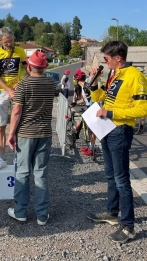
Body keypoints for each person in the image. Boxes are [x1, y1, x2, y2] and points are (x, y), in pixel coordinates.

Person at [87, 41, 147, 243]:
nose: (105, 62)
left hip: (120, 130)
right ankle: (112, 212)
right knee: (110, 175)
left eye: (106, 58)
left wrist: (111, 112)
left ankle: (128, 227)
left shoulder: (135, 76)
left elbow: (142, 109)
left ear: (118, 58)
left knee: (121, 179)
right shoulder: (113, 74)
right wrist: (94, 84)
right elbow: (101, 97)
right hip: (106, 128)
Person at [7, 51, 56, 225]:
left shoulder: (23, 85)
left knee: (22, 172)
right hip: (44, 133)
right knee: (41, 173)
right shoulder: (51, 84)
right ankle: (42, 215)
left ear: (28, 66)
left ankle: (20, 211)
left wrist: (11, 133)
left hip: (26, 134)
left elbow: (17, 110)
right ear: (45, 68)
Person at [0, 26, 28, 171]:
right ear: (0, 41)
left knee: (18, 125)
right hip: (2, 92)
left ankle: (18, 158)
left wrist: (22, 82)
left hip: (18, 90)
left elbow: (28, 70)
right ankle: (2, 158)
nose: (9, 44)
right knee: (1, 127)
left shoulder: (20, 51)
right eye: (6, 42)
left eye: (11, 41)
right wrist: (8, 90)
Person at [70, 70, 96, 156]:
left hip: (92, 109)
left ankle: (91, 148)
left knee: (91, 130)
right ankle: (91, 146)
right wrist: (75, 103)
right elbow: (85, 99)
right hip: (91, 107)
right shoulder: (84, 86)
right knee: (89, 128)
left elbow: (90, 99)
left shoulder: (85, 87)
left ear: (77, 79)